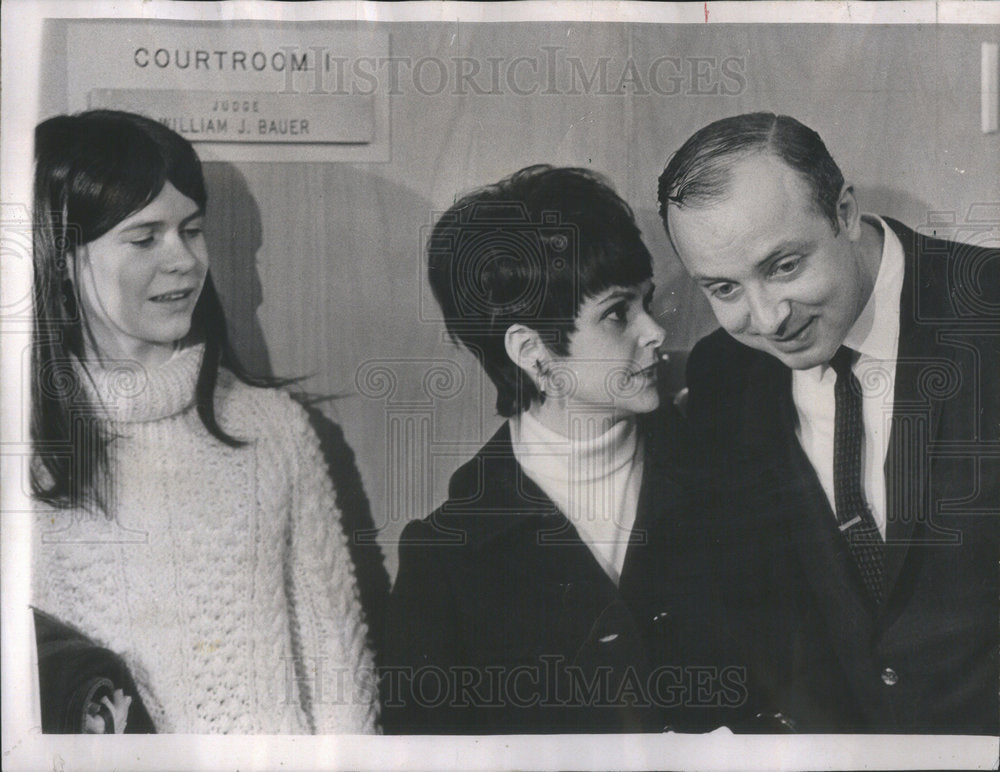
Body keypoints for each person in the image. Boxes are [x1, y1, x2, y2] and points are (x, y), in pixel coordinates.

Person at [30, 109, 378, 734]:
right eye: (144, 239)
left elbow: (338, 670)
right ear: (61, 257)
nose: (184, 261)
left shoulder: (273, 429)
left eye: (192, 231)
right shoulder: (23, 450)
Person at [657, 112, 999, 733]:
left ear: (843, 213)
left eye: (784, 266)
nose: (766, 318)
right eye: (724, 289)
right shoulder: (724, 376)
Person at [382, 165, 747, 734]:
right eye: (617, 313)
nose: (654, 331)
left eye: (645, 302)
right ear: (531, 350)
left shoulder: (735, 475)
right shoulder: (446, 560)